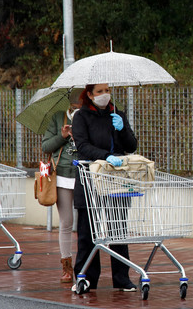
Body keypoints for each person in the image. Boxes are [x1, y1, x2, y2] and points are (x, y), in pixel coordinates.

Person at [71, 83, 138, 291]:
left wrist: (123, 129)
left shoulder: (117, 114)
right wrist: (105, 156)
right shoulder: (80, 117)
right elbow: (82, 146)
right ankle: (86, 277)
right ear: (89, 95)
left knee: (117, 228)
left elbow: (131, 145)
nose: (104, 95)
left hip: (115, 179)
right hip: (90, 178)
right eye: (99, 92)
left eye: (107, 90)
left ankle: (122, 278)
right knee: (87, 231)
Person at [41, 89, 83, 283]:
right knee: (66, 223)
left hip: (85, 175)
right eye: (75, 106)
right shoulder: (58, 118)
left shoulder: (89, 117)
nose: (78, 109)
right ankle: (67, 267)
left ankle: (85, 265)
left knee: (86, 224)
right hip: (64, 176)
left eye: (81, 105)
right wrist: (63, 135)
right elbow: (46, 146)